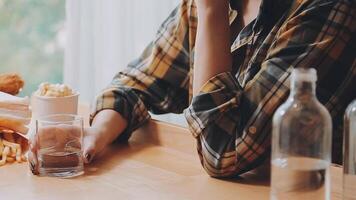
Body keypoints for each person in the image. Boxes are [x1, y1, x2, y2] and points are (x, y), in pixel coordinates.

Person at [29, 0, 356, 177]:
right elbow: (137, 84)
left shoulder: (328, 8)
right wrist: (95, 134)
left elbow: (224, 153)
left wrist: (212, 12)